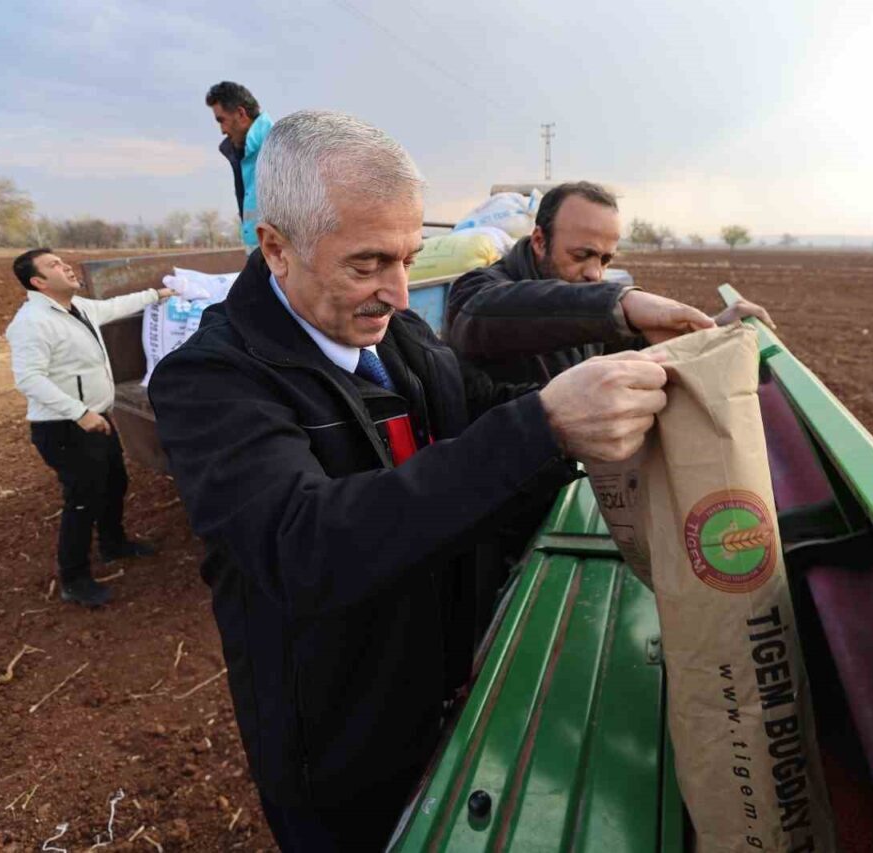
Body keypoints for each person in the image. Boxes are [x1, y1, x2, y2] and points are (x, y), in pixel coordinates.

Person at [148, 111, 669, 852]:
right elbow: (306, 544)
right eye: (366, 263)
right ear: (276, 248)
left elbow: (478, 409)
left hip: (444, 687)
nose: (398, 291)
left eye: (408, 257)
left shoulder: (399, 336)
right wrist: (541, 426)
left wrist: (595, 390)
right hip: (342, 746)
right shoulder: (212, 381)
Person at [445, 180, 776, 384]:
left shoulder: (587, 303)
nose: (595, 273)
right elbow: (483, 313)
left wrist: (712, 330)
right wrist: (619, 302)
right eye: (581, 255)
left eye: (605, 260)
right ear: (539, 241)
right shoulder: (476, 292)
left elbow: (642, 349)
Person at [5, 250, 175, 607]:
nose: (65, 266)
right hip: (64, 428)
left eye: (62, 261)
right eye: (53, 265)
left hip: (96, 418)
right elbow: (29, 379)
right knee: (82, 500)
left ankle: (113, 544)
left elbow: (115, 306)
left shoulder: (77, 308)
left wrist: (159, 295)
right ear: (38, 282)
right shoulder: (33, 322)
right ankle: (74, 578)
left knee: (115, 482)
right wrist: (79, 413)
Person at [206, 81, 273, 253]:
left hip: (280, 262)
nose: (222, 130)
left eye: (222, 120)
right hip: (262, 259)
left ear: (241, 113)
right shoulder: (242, 153)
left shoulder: (279, 146)